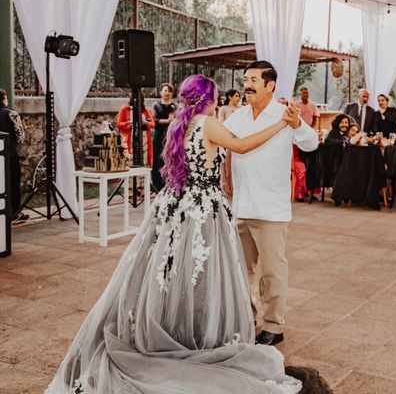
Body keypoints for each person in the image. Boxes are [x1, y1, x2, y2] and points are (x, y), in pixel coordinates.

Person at [45, 74, 302, 393]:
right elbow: (242, 145)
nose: (221, 100)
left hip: (176, 204)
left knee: (172, 271)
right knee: (201, 272)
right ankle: (197, 333)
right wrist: (283, 125)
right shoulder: (208, 124)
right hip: (203, 208)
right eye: (218, 96)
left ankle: (172, 326)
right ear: (208, 98)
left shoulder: (183, 125)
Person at [224, 60, 318, 346]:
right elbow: (225, 144)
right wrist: (226, 176)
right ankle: (248, 317)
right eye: (245, 79)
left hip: (271, 209)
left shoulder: (285, 114)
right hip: (241, 204)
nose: (247, 85)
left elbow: (311, 143)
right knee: (242, 269)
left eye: (253, 79)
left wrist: (298, 123)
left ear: (270, 84)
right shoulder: (238, 115)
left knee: (272, 271)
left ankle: (274, 326)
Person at [0, 89, 27, 223]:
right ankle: (15, 214)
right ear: (4, 98)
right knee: (13, 185)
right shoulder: (12, 114)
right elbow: (20, 137)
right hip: (10, 155)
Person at [116, 92, 156, 167]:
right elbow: (118, 124)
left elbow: (153, 124)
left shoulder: (145, 109)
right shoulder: (124, 109)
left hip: (144, 140)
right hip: (130, 140)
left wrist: (146, 123)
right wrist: (129, 123)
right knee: (129, 161)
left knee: (144, 161)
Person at [151, 83, 176, 190]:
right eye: (165, 91)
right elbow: (153, 120)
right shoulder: (156, 105)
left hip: (170, 135)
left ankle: (169, 182)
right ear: (161, 92)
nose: (167, 93)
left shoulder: (175, 106)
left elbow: (179, 120)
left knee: (169, 158)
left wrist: (174, 119)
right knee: (157, 158)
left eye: (169, 91)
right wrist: (167, 121)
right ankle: (157, 184)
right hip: (158, 134)